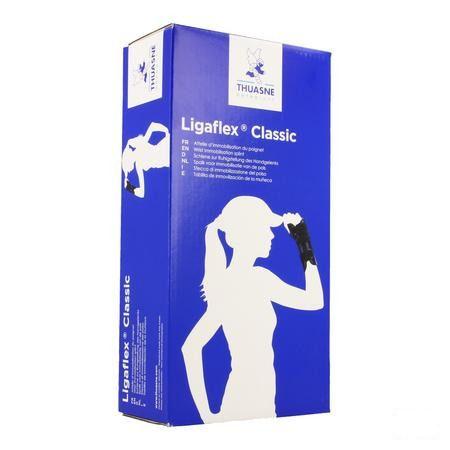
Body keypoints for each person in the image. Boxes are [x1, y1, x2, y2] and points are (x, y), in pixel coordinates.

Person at [182, 196, 324, 423]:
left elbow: (315, 302)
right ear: (248, 232)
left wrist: (207, 416)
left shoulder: (236, 281)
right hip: (245, 403)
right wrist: (303, 242)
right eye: (266, 228)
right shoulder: (255, 279)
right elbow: (314, 300)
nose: (272, 235)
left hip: (257, 402)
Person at [122, 122, 170, 198]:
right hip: (166, 152)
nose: (130, 170)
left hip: (166, 151)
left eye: (128, 169)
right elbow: (153, 126)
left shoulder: (138, 164)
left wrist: (129, 188)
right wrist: (166, 131)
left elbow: (141, 193)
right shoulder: (138, 163)